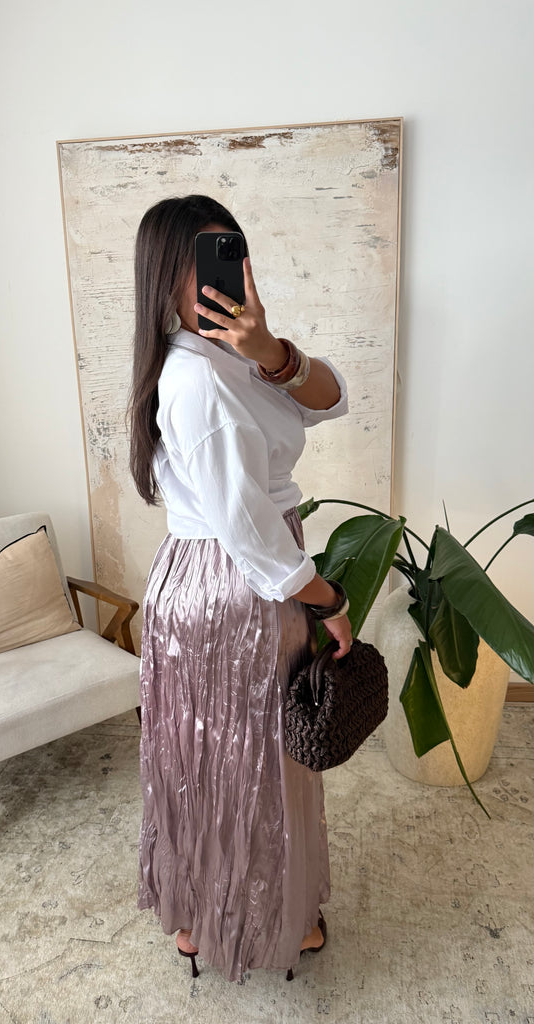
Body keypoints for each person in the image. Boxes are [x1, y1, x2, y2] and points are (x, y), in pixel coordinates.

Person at [127, 194, 352, 984]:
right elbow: (249, 529)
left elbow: (332, 399)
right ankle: (261, 922)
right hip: (237, 587)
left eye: (231, 255)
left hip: (207, 582)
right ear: (164, 277)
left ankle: (202, 916)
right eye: (201, 262)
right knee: (254, 761)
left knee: (205, 758)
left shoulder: (225, 359)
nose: (222, 278)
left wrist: (273, 351)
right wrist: (327, 600)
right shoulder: (199, 379)